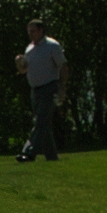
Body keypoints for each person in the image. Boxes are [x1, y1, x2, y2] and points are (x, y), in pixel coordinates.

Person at [15, 21, 65, 163]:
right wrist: (20, 63)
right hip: (35, 89)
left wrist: (62, 88)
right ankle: (51, 156)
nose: (30, 34)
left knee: (40, 120)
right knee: (43, 124)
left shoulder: (52, 46)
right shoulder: (29, 48)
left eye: (33, 31)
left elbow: (63, 66)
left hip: (50, 87)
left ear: (41, 30)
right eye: (29, 31)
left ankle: (28, 152)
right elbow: (24, 70)